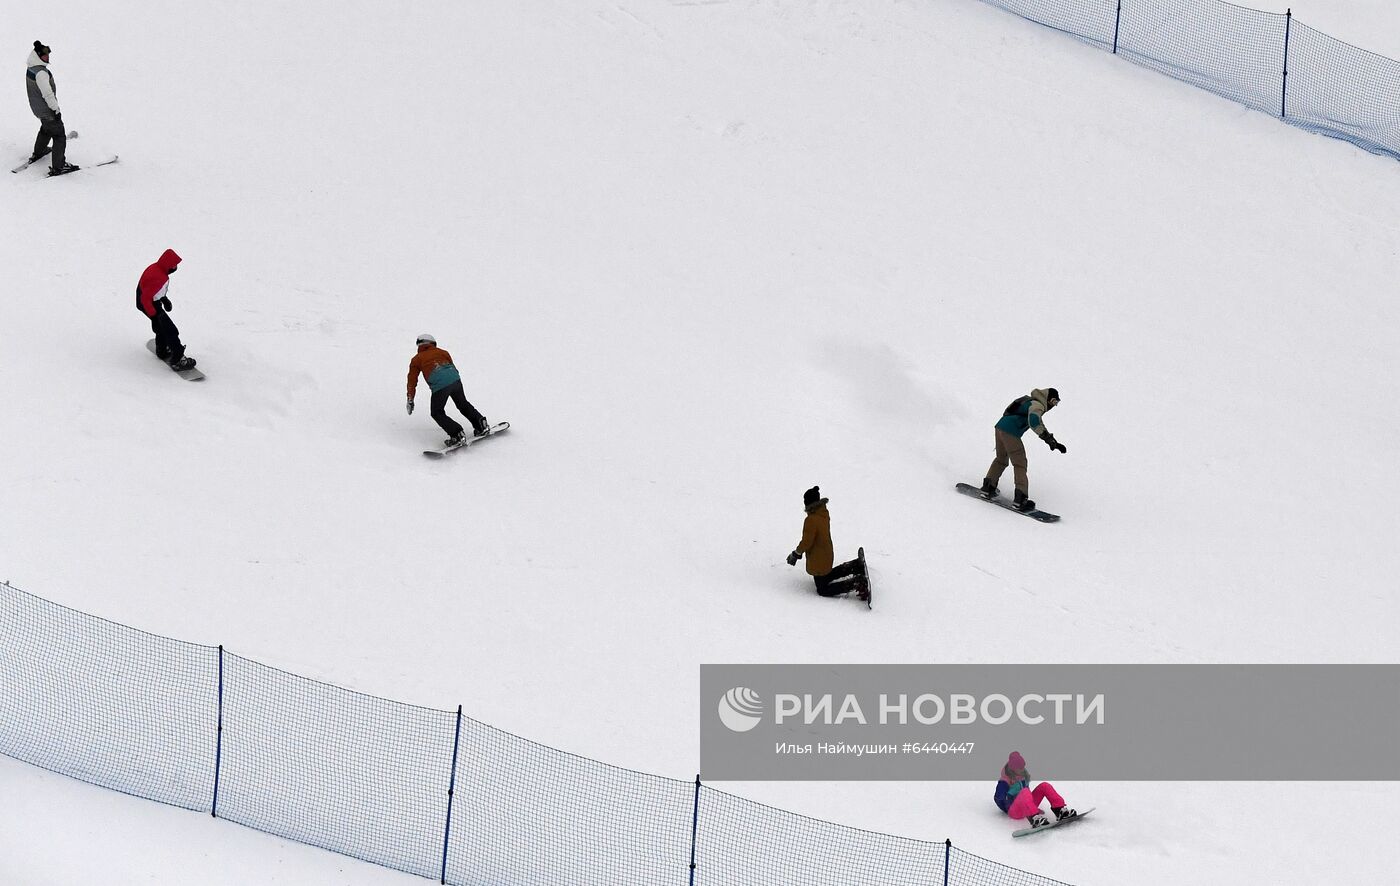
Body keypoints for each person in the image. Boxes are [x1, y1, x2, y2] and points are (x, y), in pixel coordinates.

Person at [979, 387, 1066, 511]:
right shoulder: (1038, 405)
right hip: (1010, 432)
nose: (1053, 406)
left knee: (1001, 459)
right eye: (1053, 402)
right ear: (1047, 399)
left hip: (1000, 427)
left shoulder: (1028, 400)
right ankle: (1021, 499)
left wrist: (1052, 441)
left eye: (1056, 403)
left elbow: (1009, 410)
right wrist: (1048, 439)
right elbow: (1034, 421)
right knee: (1020, 464)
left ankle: (988, 487)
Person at [786, 486, 868, 600]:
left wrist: (795, 553)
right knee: (827, 575)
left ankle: (857, 583)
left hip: (818, 558)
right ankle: (855, 566)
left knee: (822, 589)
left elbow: (806, 542)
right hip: (826, 553)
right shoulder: (823, 513)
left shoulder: (811, 519)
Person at [406, 335, 489, 445]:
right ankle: (481, 424)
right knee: (462, 404)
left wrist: (410, 398)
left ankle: (457, 434)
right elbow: (451, 366)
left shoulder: (416, 359)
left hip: (440, 385)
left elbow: (412, 381)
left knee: (437, 412)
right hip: (455, 380)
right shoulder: (443, 352)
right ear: (433, 343)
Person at [137, 249, 196, 371]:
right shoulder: (158, 276)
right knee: (171, 330)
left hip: (150, 302)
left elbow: (153, 290)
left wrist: (164, 300)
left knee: (160, 327)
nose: (175, 267)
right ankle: (178, 359)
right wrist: (154, 314)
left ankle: (162, 350)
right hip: (149, 304)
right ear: (168, 264)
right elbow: (145, 297)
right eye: (174, 265)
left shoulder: (157, 269)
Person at [25, 40, 77, 177]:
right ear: (37, 56)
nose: (47, 57)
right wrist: (56, 110)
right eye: (44, 56)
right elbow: (47, 94)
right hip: (47, 110)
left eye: (47, 55)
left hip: (37, 109)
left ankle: (39, 151)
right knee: (59, 135)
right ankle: (59, 167)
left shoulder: (31, 68)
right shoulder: (41, 73)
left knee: (46, 128)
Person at [994, 750, 1076, 829]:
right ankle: (1035, 819)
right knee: (1025, 791)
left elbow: (1026, 795)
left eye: (1023, 767)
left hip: (1027, 808)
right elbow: (998, 798)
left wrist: (1032, 807)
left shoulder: (1023, 775)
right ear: (1013, 768)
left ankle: (1059, 810)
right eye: (1020, 768)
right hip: (1013, 811)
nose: (1022, 769)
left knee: (1044, 786)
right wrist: (1007, 809)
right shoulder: (1004, 781)